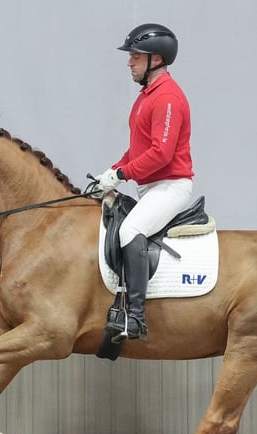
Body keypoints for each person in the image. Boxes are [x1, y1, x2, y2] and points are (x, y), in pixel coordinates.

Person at [95, 23, 195, 341]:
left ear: (156, 59)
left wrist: (123, 175)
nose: (129, 62)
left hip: (171, 185)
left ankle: (135, 317)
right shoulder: (146, 96)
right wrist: (112, 172)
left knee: (130, 230)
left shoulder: (167, 98)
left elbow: (162, 154)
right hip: (151, 185)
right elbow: (138, 148)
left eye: (136, 56)